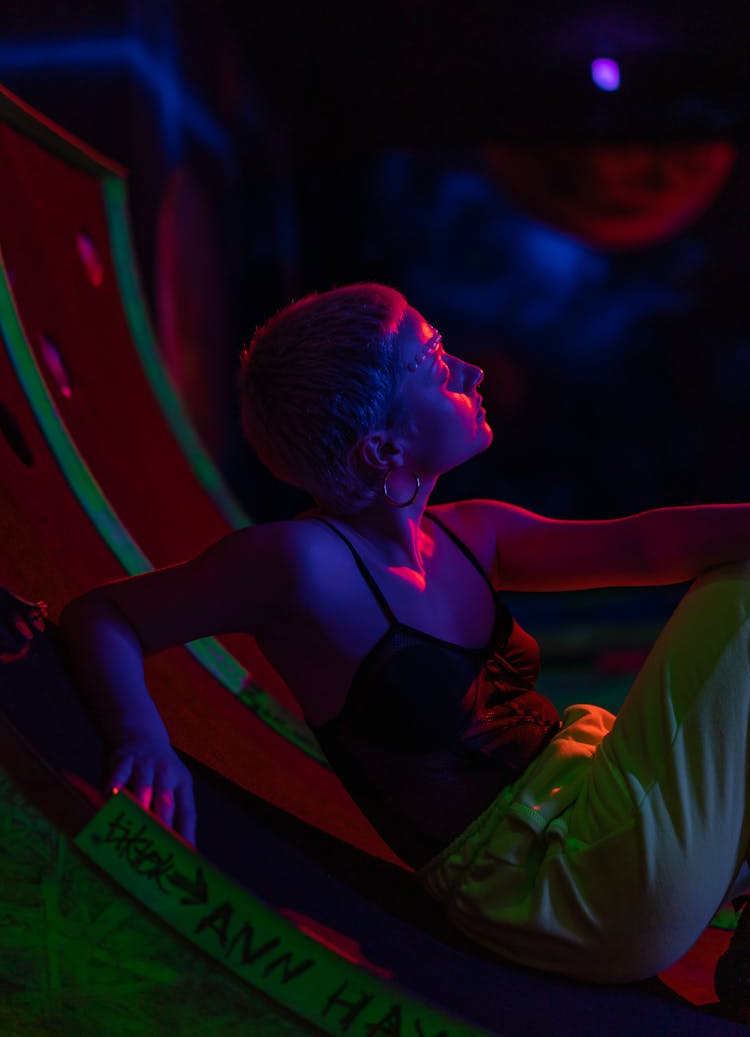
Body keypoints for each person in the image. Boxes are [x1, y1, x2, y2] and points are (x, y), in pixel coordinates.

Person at [60, 281, 750, 1004]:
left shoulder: (469, 531)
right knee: (742, 590)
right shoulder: (302, 564)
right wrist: (143, 738)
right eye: (435, 361)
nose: (470, 372)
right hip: (560, 887)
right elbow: (106, 616)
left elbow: (644, 547)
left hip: (593, 813)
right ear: (382, 444)